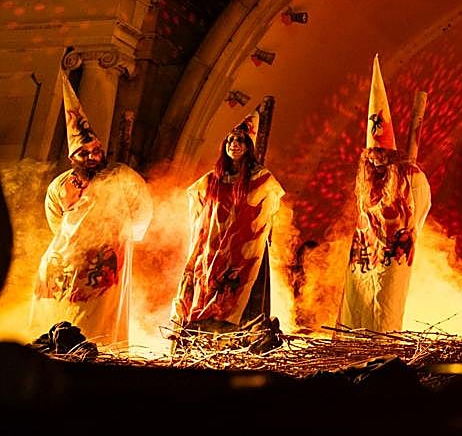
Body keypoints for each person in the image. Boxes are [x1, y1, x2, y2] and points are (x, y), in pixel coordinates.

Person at [30, 76, 152, 348]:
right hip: (66, 258)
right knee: (57, 307)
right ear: (73, 158)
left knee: (100, 317)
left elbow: (142, 211)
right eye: (84, 153)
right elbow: (55, 220)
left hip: (107, 258)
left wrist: (122, 238)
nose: (92, 157)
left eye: (96, 151)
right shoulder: (60, 184)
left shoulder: (122, 176)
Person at [170, 108, 285, 339]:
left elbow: (269, 205)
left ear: (248, 146)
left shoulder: (260, 178)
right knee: (203, 285)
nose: (234, 145)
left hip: (244, 249)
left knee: (241, 292)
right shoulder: (213, 178)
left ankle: (239, 338)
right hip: (212, 248)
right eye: (230, 140)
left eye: (240, 140)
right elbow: (198, 204)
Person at [336, 55, 432, 334]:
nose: (377, 157)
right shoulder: (366, 180)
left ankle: (382, 343)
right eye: (372, 152)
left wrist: (407, 233)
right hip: (365, 253)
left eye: (381, 152)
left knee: (386, 302)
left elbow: (421, 206)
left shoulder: (410, 175)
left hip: (393, 254)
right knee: (358, 301)